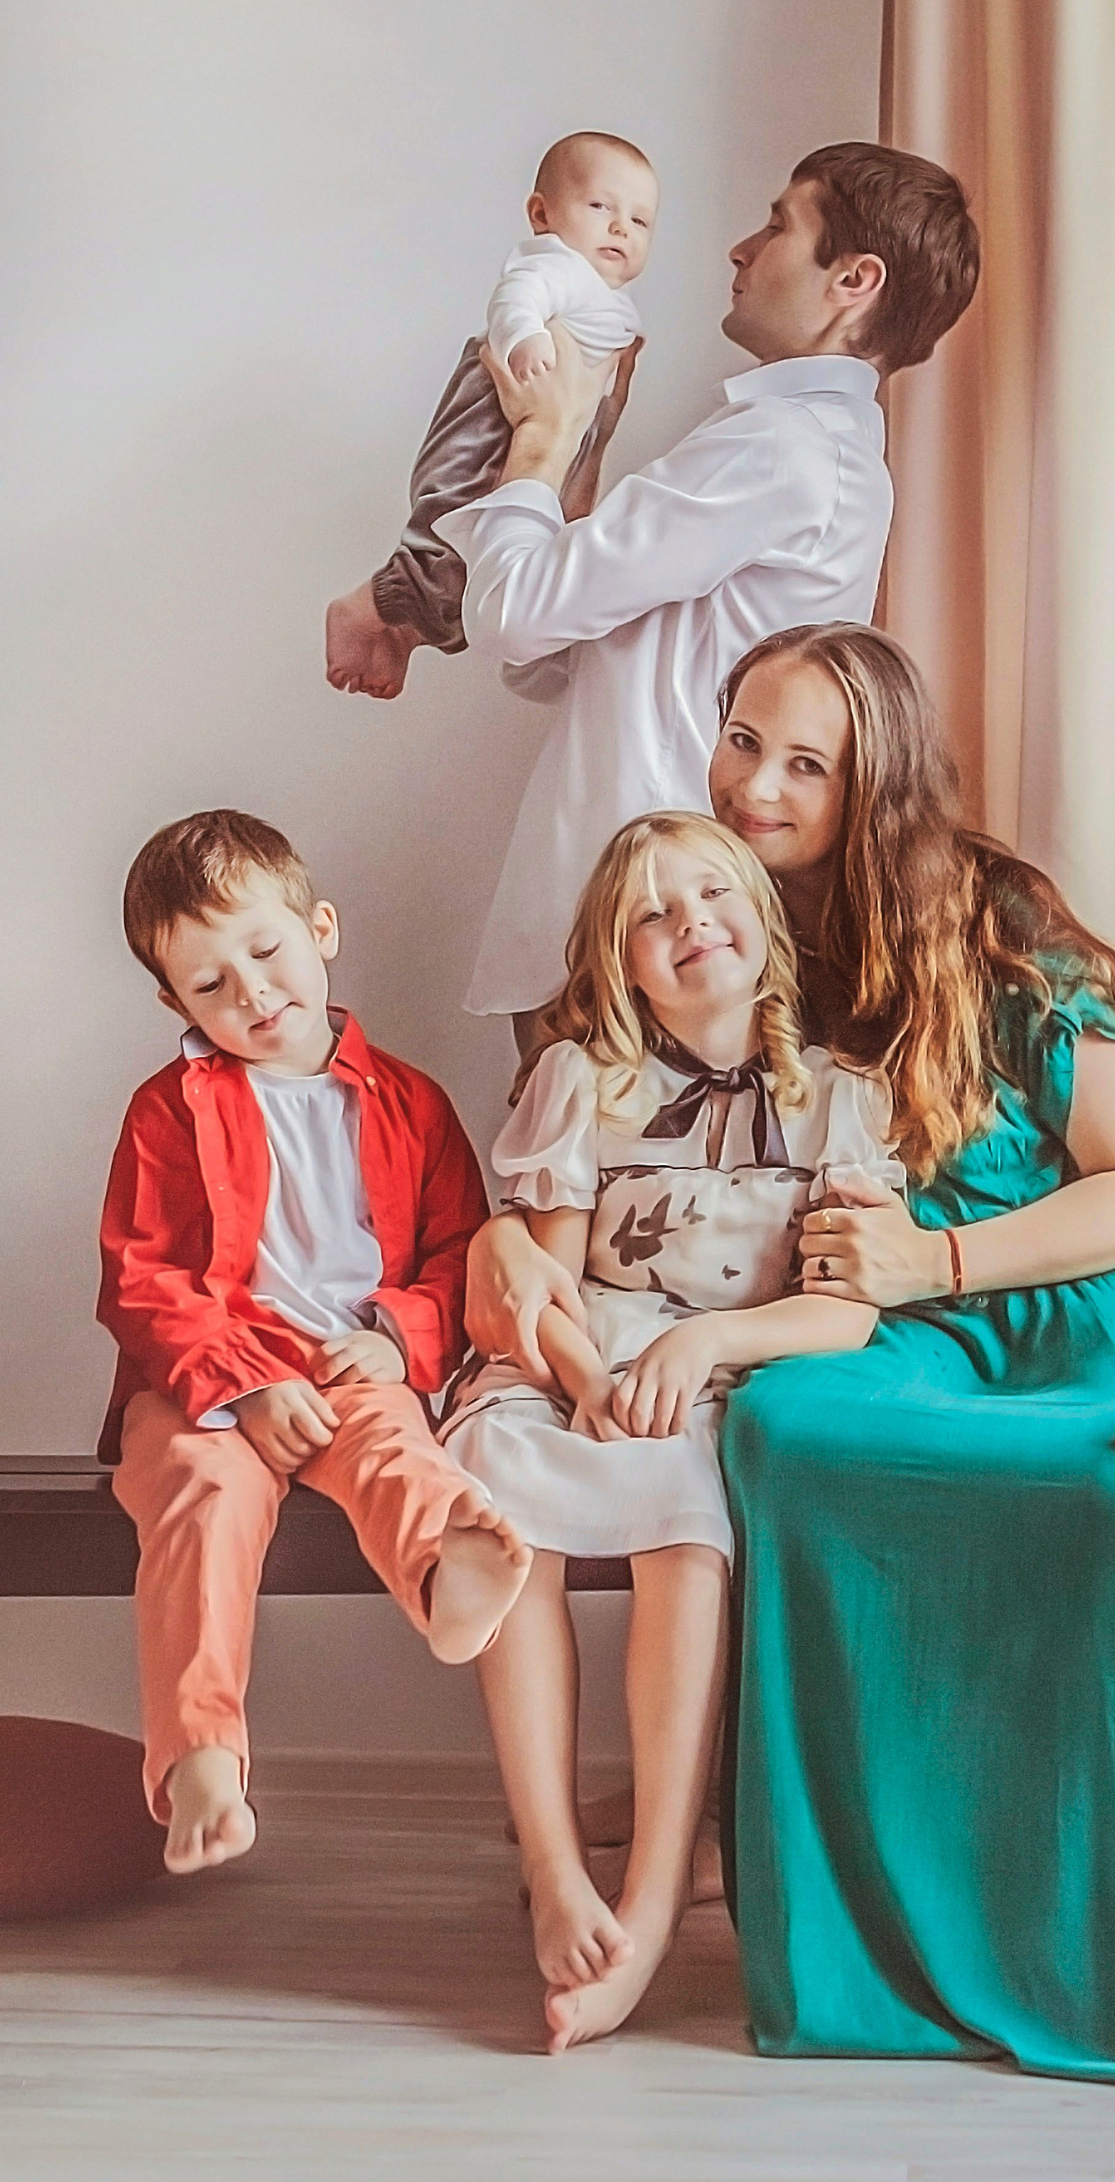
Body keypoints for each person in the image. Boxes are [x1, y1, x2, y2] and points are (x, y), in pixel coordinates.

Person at [467, 624, 1115, 2094]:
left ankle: (1077, 1911)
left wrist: (935, 1259)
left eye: (805, 764)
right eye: (743, 739)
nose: (755, 784)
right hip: (877, 1320)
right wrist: (508, 1250)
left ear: (872, 783)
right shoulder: (711, 912)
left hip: (1068, 1293)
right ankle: (812, 1890)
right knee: (786, 1434)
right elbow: (595, 1138)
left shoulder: (994, 920)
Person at [328, 143, 980, 1035]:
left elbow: (517, 617)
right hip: (644, 914)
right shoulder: (801, 449)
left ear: (854, 279)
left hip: (645, 923)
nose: (741, 249)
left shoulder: (783, 449)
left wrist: (543, 439)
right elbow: (558, 654)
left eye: (779, 225)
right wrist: (576, 455)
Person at [443, 811, 905, 2052]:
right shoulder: (580, 1080)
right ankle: (553, 1865)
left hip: (707, 1379)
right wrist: (588, 1378)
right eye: (653, 913)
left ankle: (651, 1897)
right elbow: (545, 1281)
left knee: (688, 1532)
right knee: (502, 1513)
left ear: (763, 918)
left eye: (710, 893)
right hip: (577, 1364)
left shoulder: (841, 1098)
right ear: (623, 965)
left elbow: (849, 1310)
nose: (689, 921)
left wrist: (704, 1346)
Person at [98, 811, 531, 1877]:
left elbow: (459, 1251)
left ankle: (448, 1571)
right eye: (210, 983)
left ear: (320, 928)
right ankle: (202, 1758)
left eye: (265, 950)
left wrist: (399, 1338)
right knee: (201, 1493)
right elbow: (142, 1277)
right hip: (207, 1380)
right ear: (175, 1003)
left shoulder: (412, 1102)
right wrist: (241, 1384)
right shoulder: (167, 1110)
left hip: (351, 1359)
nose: (251, 992)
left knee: (394, 1449)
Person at [325, 131, 657, 700]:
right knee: (457, 521)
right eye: (601, 206)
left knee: (495, 566)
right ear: (541, 214)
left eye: (641, 220)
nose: (621, 227)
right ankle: (368, 605)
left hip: (553, 425)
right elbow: (515, 297)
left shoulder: (611, 300)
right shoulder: (556, 265)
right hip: (494, 410)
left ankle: (407, 633)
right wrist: (525, 336)